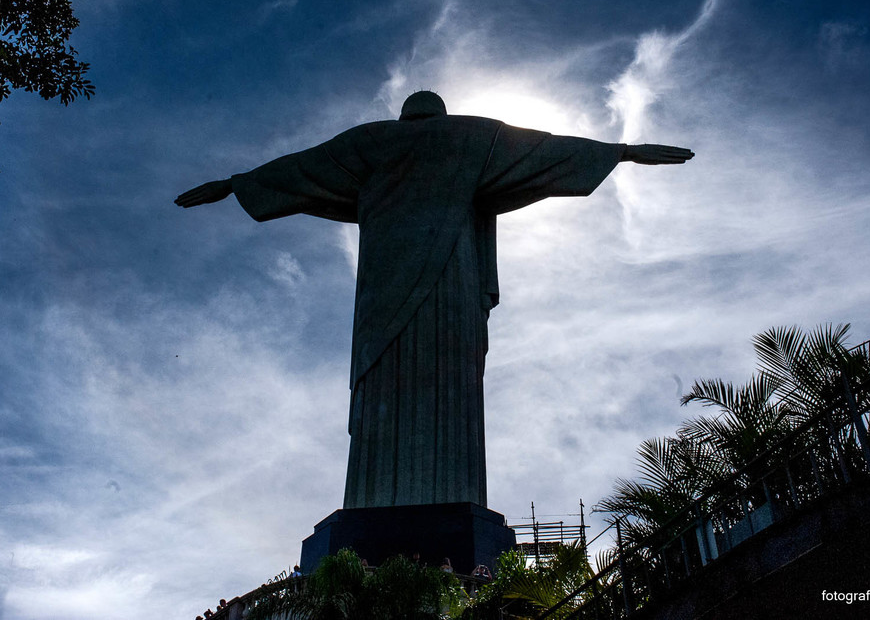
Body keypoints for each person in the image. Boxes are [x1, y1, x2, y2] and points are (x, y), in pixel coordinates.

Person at [176, 91, 693, 509]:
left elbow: (303, 168)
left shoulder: (367, 143)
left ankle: (377, 501)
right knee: (447, 381)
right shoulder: (474, 136)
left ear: (405, 116)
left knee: (387, 383)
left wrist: (234, 184)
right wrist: (618, 151)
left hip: (382, 292)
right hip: (450, 282)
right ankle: (439, 493)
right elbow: (544, 150)